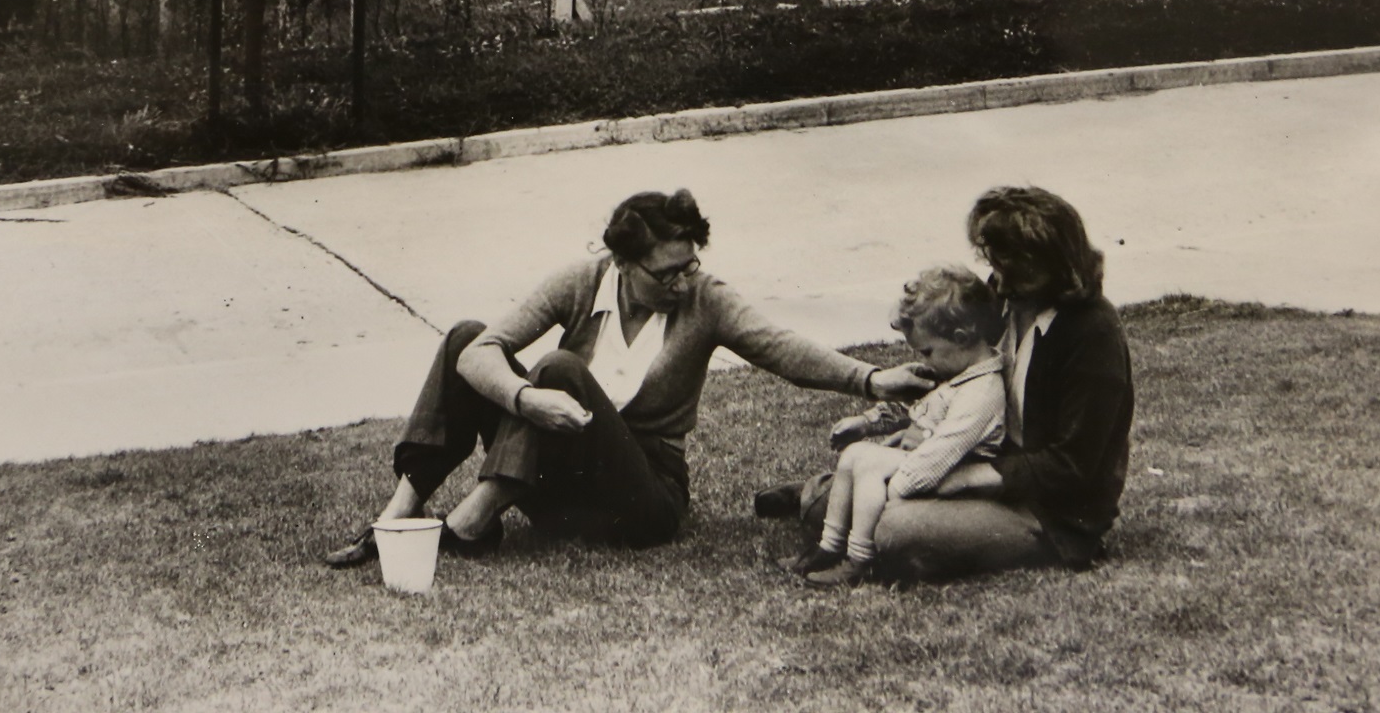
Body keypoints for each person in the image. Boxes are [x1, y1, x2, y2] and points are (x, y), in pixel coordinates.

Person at [325, 189, 931, 568]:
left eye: (691, 265)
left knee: (562, 367)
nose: (681, 283)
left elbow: (780, 348)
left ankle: (471, 525)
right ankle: (397, 517)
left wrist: (872, 380)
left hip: (642, 498)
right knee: (464, 335)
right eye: (666, 273)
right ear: (622, 262)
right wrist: (525, 398)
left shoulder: (706, 300)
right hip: (557, 483)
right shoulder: (581, 281)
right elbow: (480, 351)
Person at [767, 185, 1133, 585]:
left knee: (892, 528)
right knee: (863, 498)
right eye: (995, 264)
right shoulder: (1006, 298)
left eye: (1015, 272)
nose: (1002, 283)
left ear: (1056, 264)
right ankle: (819, 494)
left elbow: (1072, 467)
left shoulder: (1091, 331)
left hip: (1046, 509)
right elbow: (967, 371)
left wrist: (957, 481)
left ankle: (820, 496)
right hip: (977, 462)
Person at [781, 267, 1005, 587]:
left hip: (952, 476)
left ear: (961, 338)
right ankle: (829, 547)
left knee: (870, 465)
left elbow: (944, 452)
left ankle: (859, 560)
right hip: (921, 462)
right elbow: (915, 409)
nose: (925, 362)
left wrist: (896, 488)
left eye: (927, 352)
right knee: (856, 454)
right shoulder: (957, 371)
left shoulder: (982, 392)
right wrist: (870, 422)